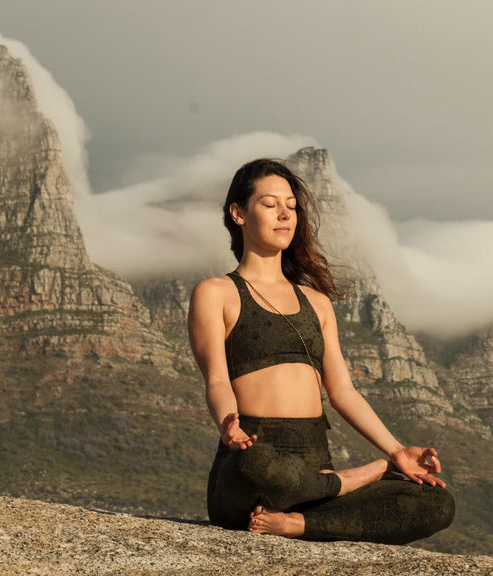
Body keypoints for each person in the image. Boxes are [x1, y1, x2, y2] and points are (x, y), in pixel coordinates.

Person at [187, 158, 454, 544]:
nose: (285, 214)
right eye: (269, 204)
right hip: (254, 459)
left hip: (314, 467)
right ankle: (358, 476)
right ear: (238, 213)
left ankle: (297, 523)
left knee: (437, 502)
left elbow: (343, 392)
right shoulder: (216, 293)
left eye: (292, 206)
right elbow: (216, 379)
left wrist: (396, 451)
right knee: (255, 463)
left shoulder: (316, 302)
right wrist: (229, 424)